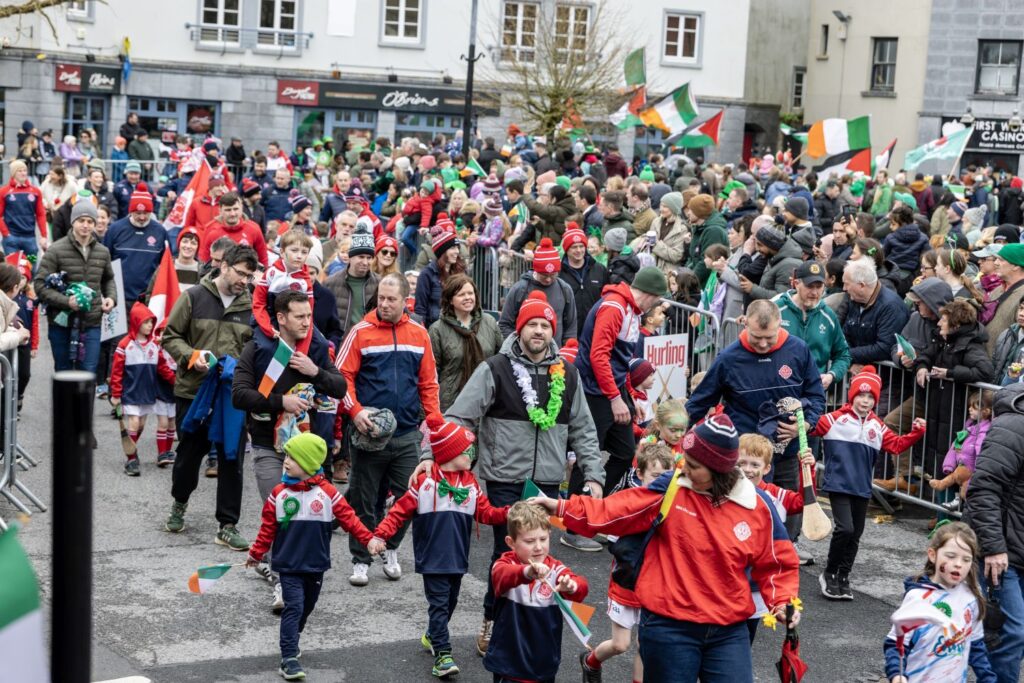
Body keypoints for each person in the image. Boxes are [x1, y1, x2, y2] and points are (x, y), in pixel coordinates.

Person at [533, 413, 800, 682]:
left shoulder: (756, 504)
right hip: (670, 626)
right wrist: (562, 507)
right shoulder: (672, 486)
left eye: (693, 465)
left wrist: (783, 602)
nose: (684, 469)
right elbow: (616, 509)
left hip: (728, 630)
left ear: (718, 469)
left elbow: (778, 561)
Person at [425, 288, 604, 656]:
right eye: (532, 324)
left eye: (545, 325)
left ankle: (530, 626)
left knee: (540, 554)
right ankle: (493, 620)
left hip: (548, 482)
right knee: (505, 554)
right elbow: (458, 416)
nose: (539, 331)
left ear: (553, 331)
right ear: (519, 328)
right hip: (504, 479)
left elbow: (585, 429)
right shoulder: (495, 368)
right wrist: (432, 454)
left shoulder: (568, 374)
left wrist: (594, 476)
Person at [368, 416, 509, 679]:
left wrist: (510, 513)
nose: (472, 455)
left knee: (450, 602)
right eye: (467, 450)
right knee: (439, 605)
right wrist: (380, 536)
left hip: (457, 557)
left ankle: (433, 634)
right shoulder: (425, 482)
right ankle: (443, 655)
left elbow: (486, 513)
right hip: (432, 557)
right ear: (450, 453)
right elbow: (398, 512)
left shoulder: (470, 484)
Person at [687, 300, 827, 546]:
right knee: (746, 512)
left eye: (769, 338)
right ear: (745, 324)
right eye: (756, 337)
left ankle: (786, 548)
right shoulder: (729, 358)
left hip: (788, 451)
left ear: (780, 326)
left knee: (789, 510)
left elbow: (816, 395)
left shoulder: (798, 350)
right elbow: (700, 401)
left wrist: (806, 424)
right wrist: (671, 431)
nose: (763, 344)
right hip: (747, 456)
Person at [336, 272, 441, 587]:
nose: (383, 303)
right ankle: (360, 560)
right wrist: (355, 412)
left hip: (407, 433)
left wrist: (434, 425)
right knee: (364, 500)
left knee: (412, 497)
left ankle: (389, 547)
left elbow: (429, 383)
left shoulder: (420, 334)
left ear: (405, 300)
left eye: (391, 299)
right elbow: (341, 376)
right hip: (369, 433)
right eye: (381, 297)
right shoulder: (360, 331)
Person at [246, 432, 374, 682]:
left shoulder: (328, 493)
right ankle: (288, 657)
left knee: (307, 606)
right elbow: (267, 529)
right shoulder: (279, 494)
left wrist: (368, 540)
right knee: (293, 606)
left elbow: (349, 519)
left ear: (308, 463)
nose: (286, 461)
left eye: (292, 457)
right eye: (286, 456)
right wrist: (256, 553)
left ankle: (293, 635)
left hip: (315, 563)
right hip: (288, 564)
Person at [160, 245, 258, 549]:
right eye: (241, 273)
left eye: (250, 276)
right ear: (224, 266)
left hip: (232, 396)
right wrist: (192, 356)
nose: (244, 281)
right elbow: (169, 336)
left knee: (232, 459)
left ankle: (227, 525)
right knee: (188, 457)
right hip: (193, 392)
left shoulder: (253, 306)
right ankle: (179, 503)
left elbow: (257, 349)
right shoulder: (193, 297)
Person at [569, 267, 668, 551]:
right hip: (595, 391)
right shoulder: (615, 307)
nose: (658, 306)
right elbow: (598, 355)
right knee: (588, 454)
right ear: (651, 294)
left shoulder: (631, 310)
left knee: (625, 452)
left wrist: (628, 397)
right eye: (658, 300)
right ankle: (574, 526)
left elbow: (619, 361)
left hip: (609, 389)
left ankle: (592, 512)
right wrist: (615, 397)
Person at [809, 366, 925, 600]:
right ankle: (829, 573)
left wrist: (916, 432)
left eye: (870, 397)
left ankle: (843, 576)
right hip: (838, 483)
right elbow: (808, 429)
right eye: (861, 395)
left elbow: (896, 446)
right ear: (852, 396)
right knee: (845, 529)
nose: (865, 401)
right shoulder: (833, 419)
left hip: (862, 487)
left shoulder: (877, 425)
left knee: (856, 534)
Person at [579, 441, 673, 682]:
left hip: (655, 587)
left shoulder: (673, 505)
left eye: (667, 476)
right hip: (626, 583)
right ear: (639, 474)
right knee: (620, 644)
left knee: (645, 645)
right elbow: (615, 543)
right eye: (655, 476)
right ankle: (591, 661)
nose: (661, 481)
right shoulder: (628, 503)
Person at [482, 501, 589, 683]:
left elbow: (582, 587)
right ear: (511, 542)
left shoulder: (555, 569)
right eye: (530, 541)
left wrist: (572, 586)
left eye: (543, 539)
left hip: (544, 664)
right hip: (508, 663)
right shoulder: (504, 564)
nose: (538, 547)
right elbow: (502, 575)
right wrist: (527, 572)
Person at [883, 522, 995, 683]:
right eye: (951, 556)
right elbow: (896, 643)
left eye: (966, 559)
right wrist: (896, 673)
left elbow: (976, 646)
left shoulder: (971, 599)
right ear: (932, 555)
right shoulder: (918, 597)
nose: (958, 564)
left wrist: (988, 678)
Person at [33, 200, 116, 373]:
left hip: (91, 321)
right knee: (63, 372)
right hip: (61, 322)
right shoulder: (56, 250)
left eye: (90, 221)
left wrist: (111, 298)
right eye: (81, 220)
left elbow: (108, 279)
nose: (86, 225)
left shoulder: (103, 252)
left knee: (88, 372)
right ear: (73, 222)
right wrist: (66, 301)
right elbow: (40, 286)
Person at [110, 302, 177, 475]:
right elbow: (116, 371)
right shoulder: (124, 344)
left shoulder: (154, 345)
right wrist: (115, 394)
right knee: (134, 422)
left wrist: (176, 382)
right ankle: (131, 459)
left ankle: (131, 448)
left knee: (140, 425)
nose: (149, 325)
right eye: (146, 322)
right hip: (131, 392)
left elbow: (163, 367)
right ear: (136, 322)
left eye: (151, 322)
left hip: (147, 393)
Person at [773, 260, 851, 392]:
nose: (814, 292)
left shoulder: (828, 316)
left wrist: (831, 375)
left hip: (813, 393)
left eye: (819, 287)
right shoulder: (776, 310)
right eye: (809, 286)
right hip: (778, 389)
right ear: (796, 284)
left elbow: (843, 354)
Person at [428, 274, 502, 412]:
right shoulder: (437, 330)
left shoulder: (490, 323)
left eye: (470, 293)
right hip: (451, 404)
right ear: (450, 300)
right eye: (461, 294)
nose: (468, 297)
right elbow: (431, 374)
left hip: (486, 401)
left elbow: (501, 360)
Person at [498, 237, 578, 346]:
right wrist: (517, 347)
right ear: (536, 270)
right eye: (544, 275)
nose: (548, 279)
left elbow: (571, 327)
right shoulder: (520, 289)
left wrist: (567, 349)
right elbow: (504, 324)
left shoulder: (565, 289)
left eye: (553, 275)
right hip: (524, 352)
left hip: (555, 353)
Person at [252, 230, 315, 354]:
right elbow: (258, 303)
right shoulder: (271, 273)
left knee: (321, 345)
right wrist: (268, 328)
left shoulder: (305, 281)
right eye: (294, 250)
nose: (299, 256)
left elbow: (309, 313)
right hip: (268, 319)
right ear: (282, 252)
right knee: (266, 348)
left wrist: (301, 351)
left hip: (297, 322)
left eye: (304, 252)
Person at [104, 188, 169, 306]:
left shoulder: (160, 232)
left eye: (146, 213)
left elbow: (166, 265)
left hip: (148, 298)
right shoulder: (115, 230)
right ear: (131, 211)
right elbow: (104, 261)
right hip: (119, 298)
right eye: (138, 213)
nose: (142, 217)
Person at [930, 390, 993, 511]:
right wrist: (949, 465)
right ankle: (955, 498)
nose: (969, 409)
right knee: (955, 479)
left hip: (972, 470)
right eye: (970, 406)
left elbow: (980, 451)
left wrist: (979, 470)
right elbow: (955, 446)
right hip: (961, 465)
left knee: (966, 490)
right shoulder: (969, 426)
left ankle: (965, 507)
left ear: (986, 412)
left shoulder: (984, 431)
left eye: (974, 407)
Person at [842, 257, 911, 365]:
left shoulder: (891, 307)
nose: (844, 288)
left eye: (847, 284)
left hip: (883, 373)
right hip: (858, 368)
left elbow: (885, 348)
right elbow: (845, 334)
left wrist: (847, 355)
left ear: (861, 285)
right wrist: (850, 363)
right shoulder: (855, 299)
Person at [559, 225, 608, 337]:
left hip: (595, 330)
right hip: (569, 332)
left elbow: (606, 297)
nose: (579, 250)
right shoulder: (559, 273)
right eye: (574, 247)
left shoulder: (599, 269)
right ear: (566, 249)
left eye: (581, 246)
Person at [416, 227, 466, 330]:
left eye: (457, 248)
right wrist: (422, 332)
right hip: (434, 329)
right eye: (452, 248)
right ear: (442, 251)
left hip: (458, 328)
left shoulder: (461, 272)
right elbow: (420, 308)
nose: (457, 251)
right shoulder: (427, 274)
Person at [200, 192, 269, 267]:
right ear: (220, 210)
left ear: (241, 208)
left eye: (235, 209)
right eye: (228, 210)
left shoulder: (253, 228)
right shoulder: (211, 229)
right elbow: (204, 260)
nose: (232, 214)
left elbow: (263, 259)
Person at [0, 160, 48, 256]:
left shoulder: (36, 191)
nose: (23, 173)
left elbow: (40, 214)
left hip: (30, 239)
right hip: (11, 239)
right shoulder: (4, 192)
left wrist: (44, 235)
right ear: (13, 173)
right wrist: (6, 234)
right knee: (13, 265)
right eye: (20, 171)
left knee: (32, 264)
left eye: (25, 170)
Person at [986, 243, 1024, 356]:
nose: (996, 263)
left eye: (1001, 260)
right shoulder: (997, 290)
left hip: (1006, 362)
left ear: (1016, 266)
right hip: (983, 360)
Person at [684, 193, 729, 285]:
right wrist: (683, 274)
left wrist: (688, 283)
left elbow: (705, 263)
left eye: (691, 210)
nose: (688, 213)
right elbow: (693, 258)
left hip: (706, 285)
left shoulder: (713, 231)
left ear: (699, 212)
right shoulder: (700, 228)